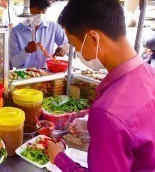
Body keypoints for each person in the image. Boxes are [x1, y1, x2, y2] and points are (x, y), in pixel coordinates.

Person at [48, 0, 155, 171]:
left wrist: (59, 158)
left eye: (75, 46)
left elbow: (116, 120)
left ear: (93, 39)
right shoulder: (150, 73)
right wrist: (91, 125)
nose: (77, 52)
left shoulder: (108, 112)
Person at [9, 0, 68, 69]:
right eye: (36, 12)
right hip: (25, 75)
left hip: (47, 73)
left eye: (43, 12)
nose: (39, 15)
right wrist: (26, 51)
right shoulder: (16, 32)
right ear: (28, 10)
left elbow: (67, 45)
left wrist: (64, 48)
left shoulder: (54, 27)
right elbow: (14, 63)